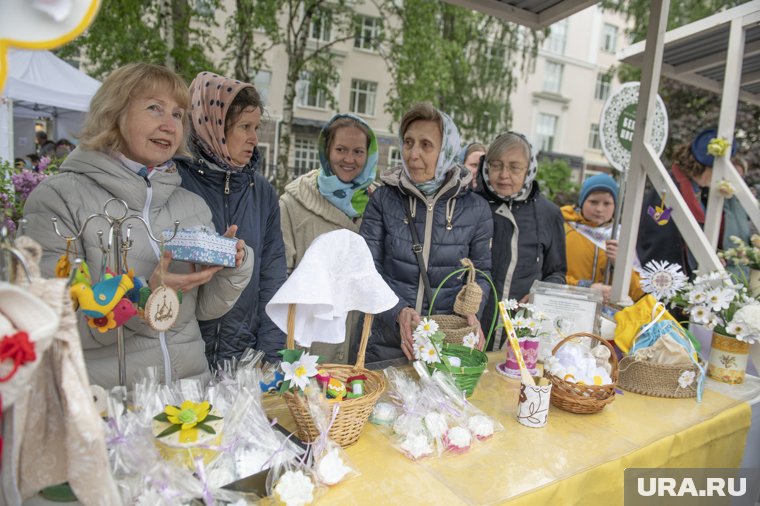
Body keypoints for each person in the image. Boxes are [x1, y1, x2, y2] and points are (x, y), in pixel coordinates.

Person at [23, 63, 253, 389]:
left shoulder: (189, 204)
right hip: (112, 407)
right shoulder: (57, 199)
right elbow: (52, 324)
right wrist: (146, 297)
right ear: (113, 112)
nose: (169, 125)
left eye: (177, 114)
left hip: (188, 400)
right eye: (154, 108)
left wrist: (232, 265)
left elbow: (204, 309)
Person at [360, 103, 493, 363]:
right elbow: (367, 268)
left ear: (446, 150)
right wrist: (398, 312)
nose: (413, 154)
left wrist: (471, 310)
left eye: (426, 145)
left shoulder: (475, 208)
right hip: (386, 341)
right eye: (408, 142)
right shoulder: (384, 199)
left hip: (445, 343)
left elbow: (482, 273)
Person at [175, 72, 287, 366]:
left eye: (257, 127)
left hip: (243, 354)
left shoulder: (261, 192)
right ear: (213, 126)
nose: (254, 138)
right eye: (244, 127)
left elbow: (272, 276)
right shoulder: (174, 180)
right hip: (185, 354)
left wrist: (269, 354)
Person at [279, 113, 378, 363]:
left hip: (360, 344)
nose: (349, 159)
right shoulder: (293, 204)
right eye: (341, 149)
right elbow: (280, 280)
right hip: (311, 348)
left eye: (358, 151)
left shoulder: (378, 204)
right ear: (326, 150)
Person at [476, 132, 566, 349]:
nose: (504, 175)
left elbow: (557, 273)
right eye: (496, 165)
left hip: (521, 333)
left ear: (529, 169)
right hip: (473, 328)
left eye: (514, 167)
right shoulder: (473, 205)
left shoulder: (548, 214)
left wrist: (540, 293)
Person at [638, 128, 743, 277]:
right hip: (668, 280)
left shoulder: (698, 191)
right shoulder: (670, 190)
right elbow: (661, 242)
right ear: (709, 167)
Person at [562, 173, 644, 303]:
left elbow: (637, 292)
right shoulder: (565, 229)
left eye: (607, 203)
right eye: (593, 202)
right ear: (582, 201)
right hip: (569, 306)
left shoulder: (622, 237)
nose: (599, 209)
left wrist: (620, 264)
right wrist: (585, 287)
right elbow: (551, 277)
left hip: (608, 315)